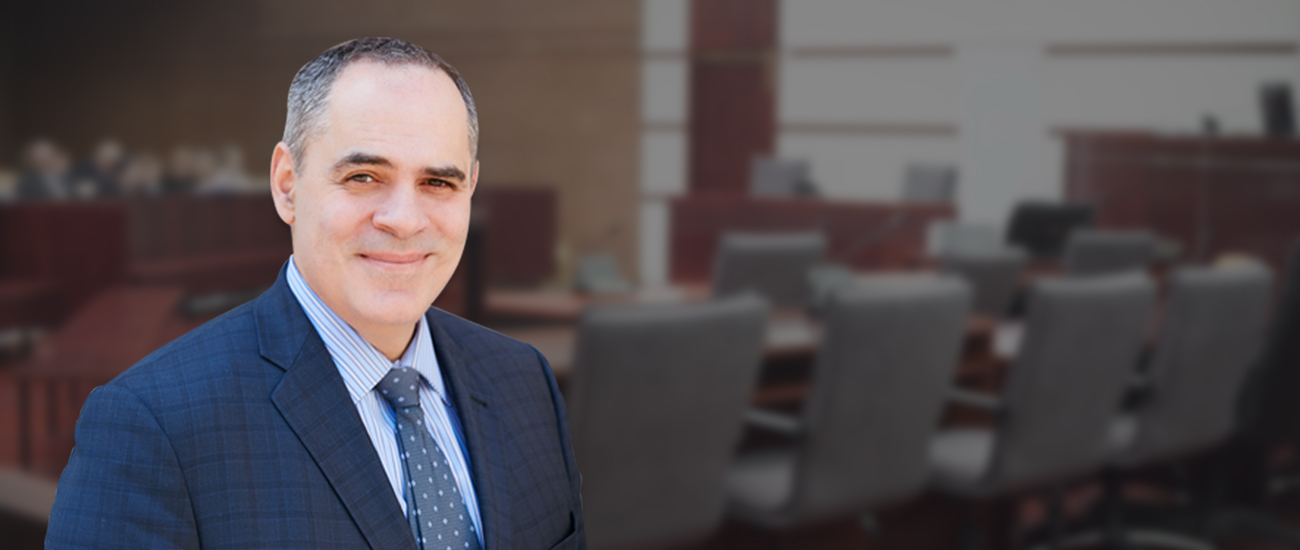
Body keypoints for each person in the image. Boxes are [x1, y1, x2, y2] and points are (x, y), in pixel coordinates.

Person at [46, 37, 585, 549]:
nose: (403, 219)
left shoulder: (524, 381)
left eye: (437, 183)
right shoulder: (151, 427)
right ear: (287, 184)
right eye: (364, 177)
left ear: (469, 188)